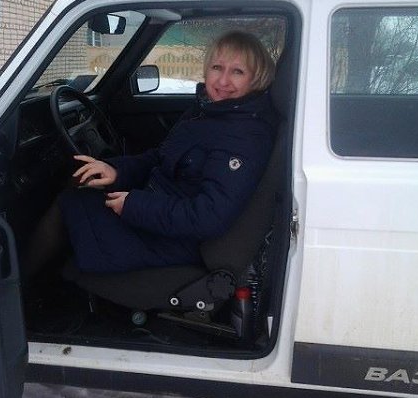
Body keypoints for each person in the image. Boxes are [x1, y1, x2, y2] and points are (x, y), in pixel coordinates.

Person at [26, 30, 277, 277]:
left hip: (175, 239)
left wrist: (134, 206)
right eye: (217, 67)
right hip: (158, 212)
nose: (222, 81)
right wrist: (116, 171)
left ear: (256, 79)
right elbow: (161, 157)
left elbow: (208, 217)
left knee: (68, 205)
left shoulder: (245, 135)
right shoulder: (207, 112)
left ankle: (22, 282)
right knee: (79, 186)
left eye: (237, 71)